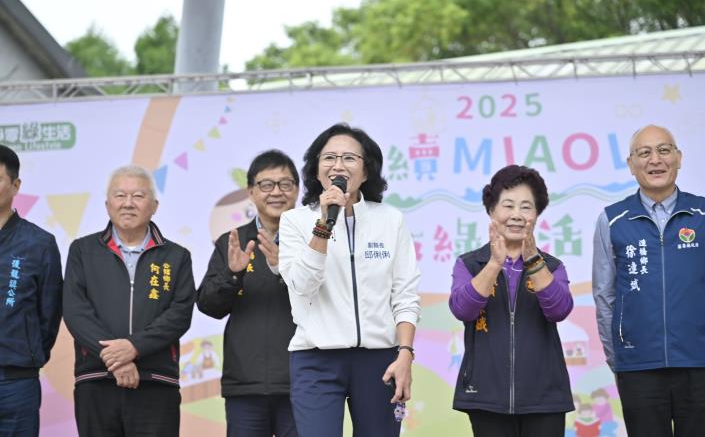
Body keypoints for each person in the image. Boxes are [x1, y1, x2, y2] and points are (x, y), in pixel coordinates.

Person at [278, 123, 421, 437]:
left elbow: (405, 296)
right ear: (316, 169)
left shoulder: (390, 220)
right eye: (329, 158)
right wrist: (323, 225)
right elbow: (302, 285)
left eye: (349, 158)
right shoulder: (294, 221)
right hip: (316, 359)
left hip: (379, 359)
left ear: (366, 171)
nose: (338, 166)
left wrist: (405, 354)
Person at [63, 165, 196, 437]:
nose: (128, 203)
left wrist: (134, 347)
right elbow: (75, 311)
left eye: (138, 196)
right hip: (97, 380)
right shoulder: (83, 251)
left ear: (154, 206)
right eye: (120, 195)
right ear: (107, 204)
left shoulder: (176, 256)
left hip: (155, 381)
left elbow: (180, 314)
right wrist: (117, 360)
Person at [592, 124, 705, 436]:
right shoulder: (612, 220)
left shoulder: (702, 214)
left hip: (699, 362)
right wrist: (619, 357)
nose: (655, 159)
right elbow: (604, 296)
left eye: (664, 150)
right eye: (644, 153)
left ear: (679, 158)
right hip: (638, 367)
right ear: (631, 164)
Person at [449, 164, 574, 437]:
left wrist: (533, 261)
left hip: (545, 398)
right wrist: (494, 264)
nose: (517, 215)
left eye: (526, 207)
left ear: (536, 215)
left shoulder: (552, 267)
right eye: (508, 206)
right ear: (491, 211)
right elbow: (462, 310)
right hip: (486, 396)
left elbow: (559, 310)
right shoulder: (470, 264)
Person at [197, 149, 300, 437]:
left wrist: (285, 269)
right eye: (266, 184)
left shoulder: (313, 240)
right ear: (251, 192)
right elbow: (208, 305)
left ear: (297, 190)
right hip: (245, 383)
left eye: (285, 184)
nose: (276, 192)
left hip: (302, 381)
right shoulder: (233, 242)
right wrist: (233, 275)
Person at [0, 144, 62, 436]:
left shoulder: (39, 243)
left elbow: (49, 314)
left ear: (16, 186)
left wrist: (27, 352)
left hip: (16, 381)